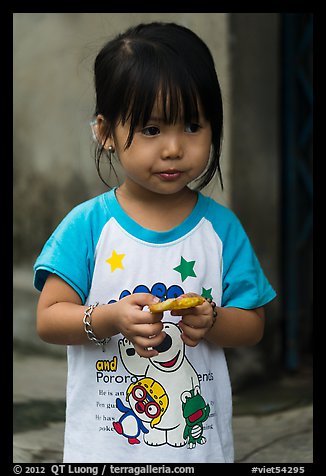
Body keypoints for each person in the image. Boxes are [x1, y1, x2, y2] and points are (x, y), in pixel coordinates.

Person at [33, 22, 276, 463]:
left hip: (197, 450)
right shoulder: (87, 226)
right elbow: (49, 319)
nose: (173, 148)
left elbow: (253, 325)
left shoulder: (220, 230)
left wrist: (212, 321)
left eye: (191, 125)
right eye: (150, 129)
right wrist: (109, 319)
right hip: (102, 451)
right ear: (105, 132)